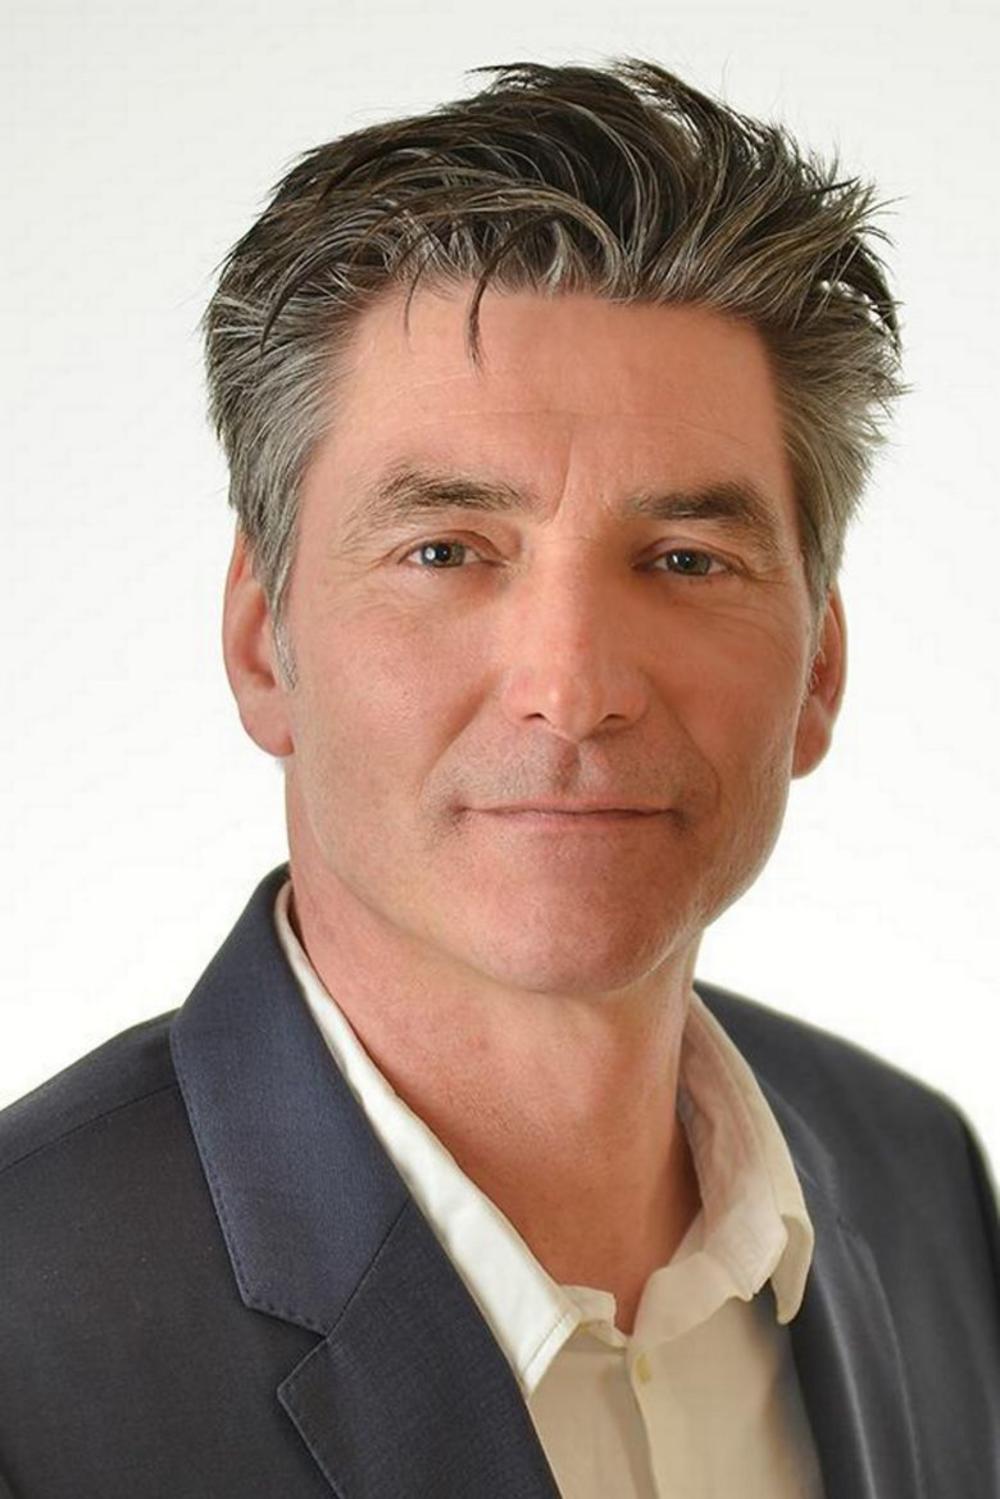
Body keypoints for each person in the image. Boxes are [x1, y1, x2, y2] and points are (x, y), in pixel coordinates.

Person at [1, 58, 996, 1499]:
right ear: (264, 643)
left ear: (820, 670)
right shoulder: (25, 1327)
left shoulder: (921, 1181)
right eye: (446, 552)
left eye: (686, 561)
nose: (575, 689)